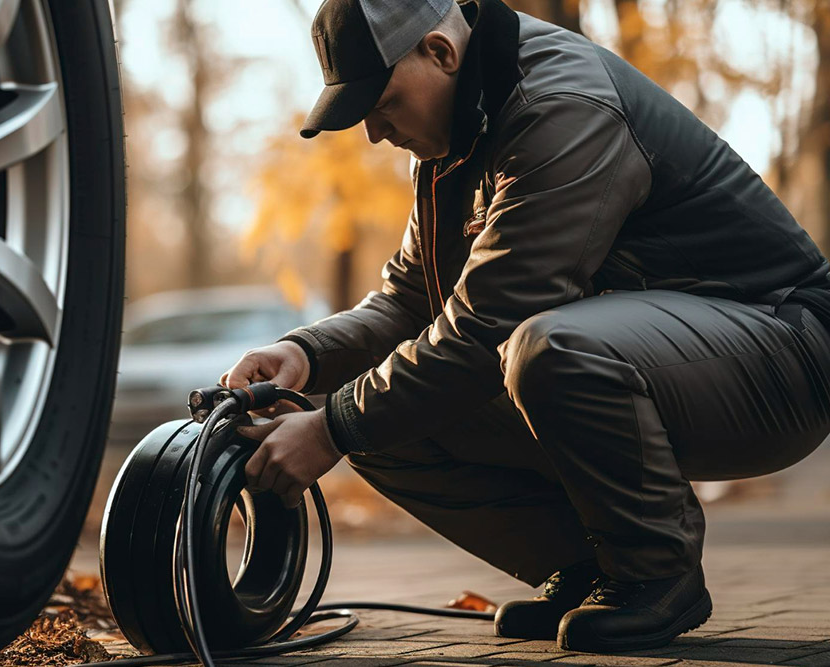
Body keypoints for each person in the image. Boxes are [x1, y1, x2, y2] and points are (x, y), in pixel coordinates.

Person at [221, 0, 830, 653]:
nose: (373, 131)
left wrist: (333, 426)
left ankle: (654, 570)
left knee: (542, 350)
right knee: (372, 413)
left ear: (441, 52)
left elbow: (491, 324)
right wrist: (305, 355)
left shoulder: (559, 107)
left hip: (780, 350)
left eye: (383, 102)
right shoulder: (455, 137)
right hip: (656, 356)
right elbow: (410, 303)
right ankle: (591, 565)